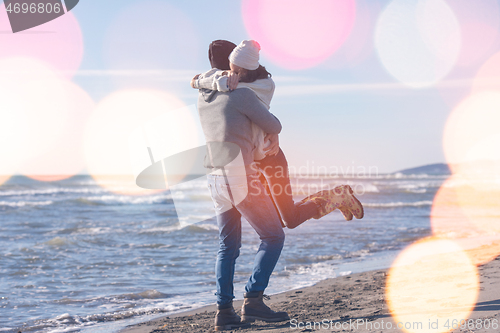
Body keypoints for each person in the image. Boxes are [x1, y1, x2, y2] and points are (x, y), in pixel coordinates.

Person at [192, 40, 364, 230]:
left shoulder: (246, 86)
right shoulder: (227, 86)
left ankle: (335, 197)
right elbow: (200, 81)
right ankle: (326, 200)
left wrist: (274, 131)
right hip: (250, 160)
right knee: (278, 220)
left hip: (270, 155)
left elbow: (255, 110)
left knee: (287, 220)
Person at [196, 39, 291, 331]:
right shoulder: (244, 95)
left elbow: (199, 80)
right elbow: (274, 126)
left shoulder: (203, 95)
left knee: (227, 247)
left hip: (214, 178)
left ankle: (224, 312)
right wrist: (268, 130)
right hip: (240, 176)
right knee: (273, 237)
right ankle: (253, 300)